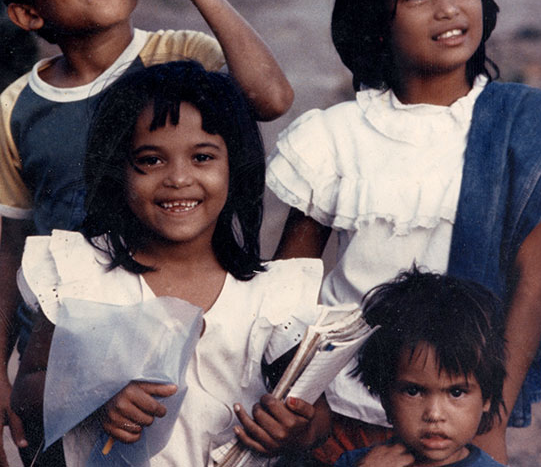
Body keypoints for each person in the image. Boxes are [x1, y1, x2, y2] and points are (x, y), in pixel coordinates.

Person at [266, 0, 541, 464]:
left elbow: (531, 290)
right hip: (340, 418)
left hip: (459, 424)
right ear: (374, 18)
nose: (448, 8)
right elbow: (288, 290)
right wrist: (299, 409)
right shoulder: (337, 136)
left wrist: (492, 423)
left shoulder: (522, 129)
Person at [0, 0, 294, 465]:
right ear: (29, 12)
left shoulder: (184, 58)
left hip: (180, 316)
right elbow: (9, 249)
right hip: (67, 342)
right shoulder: (16, 110)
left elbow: (270, 96)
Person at [11, 61, 329, 466]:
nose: (178, 178)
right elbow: (28, 387)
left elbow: (318, 417)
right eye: (151, 160)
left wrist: (296, 430)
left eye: (202, 157)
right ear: (118, 170)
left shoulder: (269, 294)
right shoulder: (82, 274)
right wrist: (90, 395)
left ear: (236, 167)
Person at [336, 268, 506, 467]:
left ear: (487, 398)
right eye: (413, 391)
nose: (434, 414)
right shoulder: (358, 463)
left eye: (456, 392)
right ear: (385, 397)